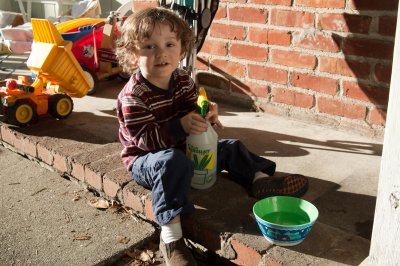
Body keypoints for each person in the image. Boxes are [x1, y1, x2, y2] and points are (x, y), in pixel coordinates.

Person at [115, 7, 309, 266]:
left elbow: (195, 106)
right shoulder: (133, 96)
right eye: (148, 46)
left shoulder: (182, 79)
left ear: (182, 49)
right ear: (131, 54)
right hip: (148, 161)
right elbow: (145, 141)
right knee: (172, 161)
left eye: (169, 44)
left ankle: (260, 179)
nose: (161, 53)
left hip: (185, 150)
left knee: (229, 147)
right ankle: (171, 238)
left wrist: (206, 112)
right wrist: (181, 126)